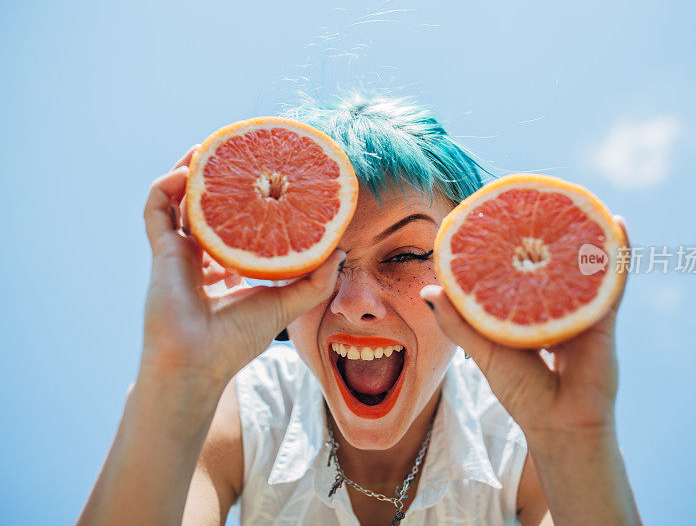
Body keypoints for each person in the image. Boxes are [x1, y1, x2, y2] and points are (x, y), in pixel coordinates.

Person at [77, 92, 642, 526]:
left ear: (468, 275)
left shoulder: (520, 442)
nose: (355, 304)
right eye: (322, 260)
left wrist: (577, 447)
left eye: (407, 254)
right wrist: (177, 381)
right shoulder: (240, 415)